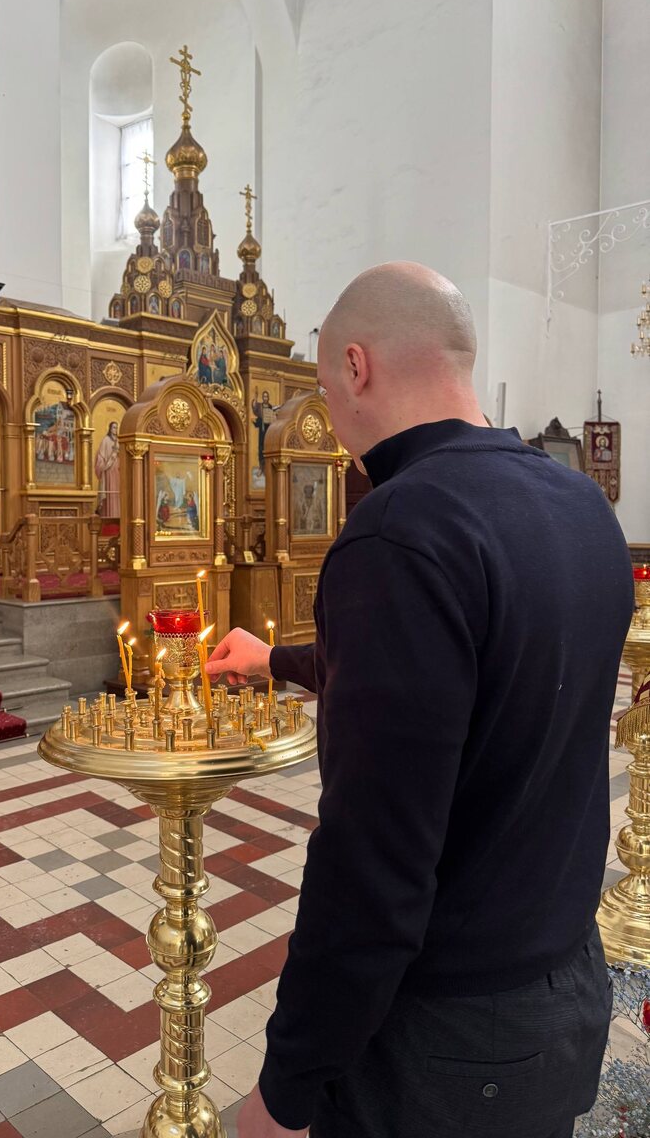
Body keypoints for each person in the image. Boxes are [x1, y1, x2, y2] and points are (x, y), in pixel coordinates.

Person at [205, 261, 633, 1138]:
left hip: (448, 1043)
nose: (332, 423)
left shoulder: (402, 529)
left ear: (355, 366)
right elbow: (477, 671)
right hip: (563, 990)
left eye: (326, 394)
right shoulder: (583, 506)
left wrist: (286, 1089)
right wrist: (276, 660)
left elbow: (372, 865)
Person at [94, 420, 120, 517]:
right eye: (113, 427)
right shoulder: (105, 440)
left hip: (117, 469)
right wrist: (103, 465)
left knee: (117, 492)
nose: (115, 429)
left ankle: (117, 515)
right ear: (110, 429)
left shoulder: (119, 441)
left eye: (116, 428)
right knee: (109, 491)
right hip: (108, 470)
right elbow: (100, 456)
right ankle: (109, 516)